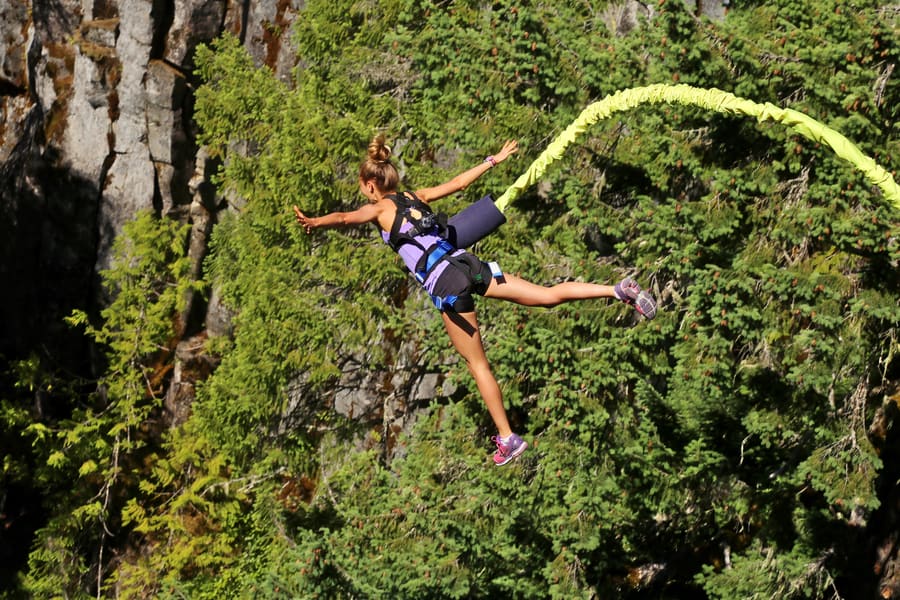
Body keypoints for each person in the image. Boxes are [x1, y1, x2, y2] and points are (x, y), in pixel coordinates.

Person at [294, 135, 657, 466]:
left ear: (370, 186)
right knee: (546, 295)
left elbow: (344, 217)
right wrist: (494, 158)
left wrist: (315, 221)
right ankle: (616, 290)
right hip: (468, 263)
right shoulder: (414, 196)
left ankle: (507, 437)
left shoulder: (379, 210)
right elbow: (458, 184)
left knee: (478, 365)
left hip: (447, 281)